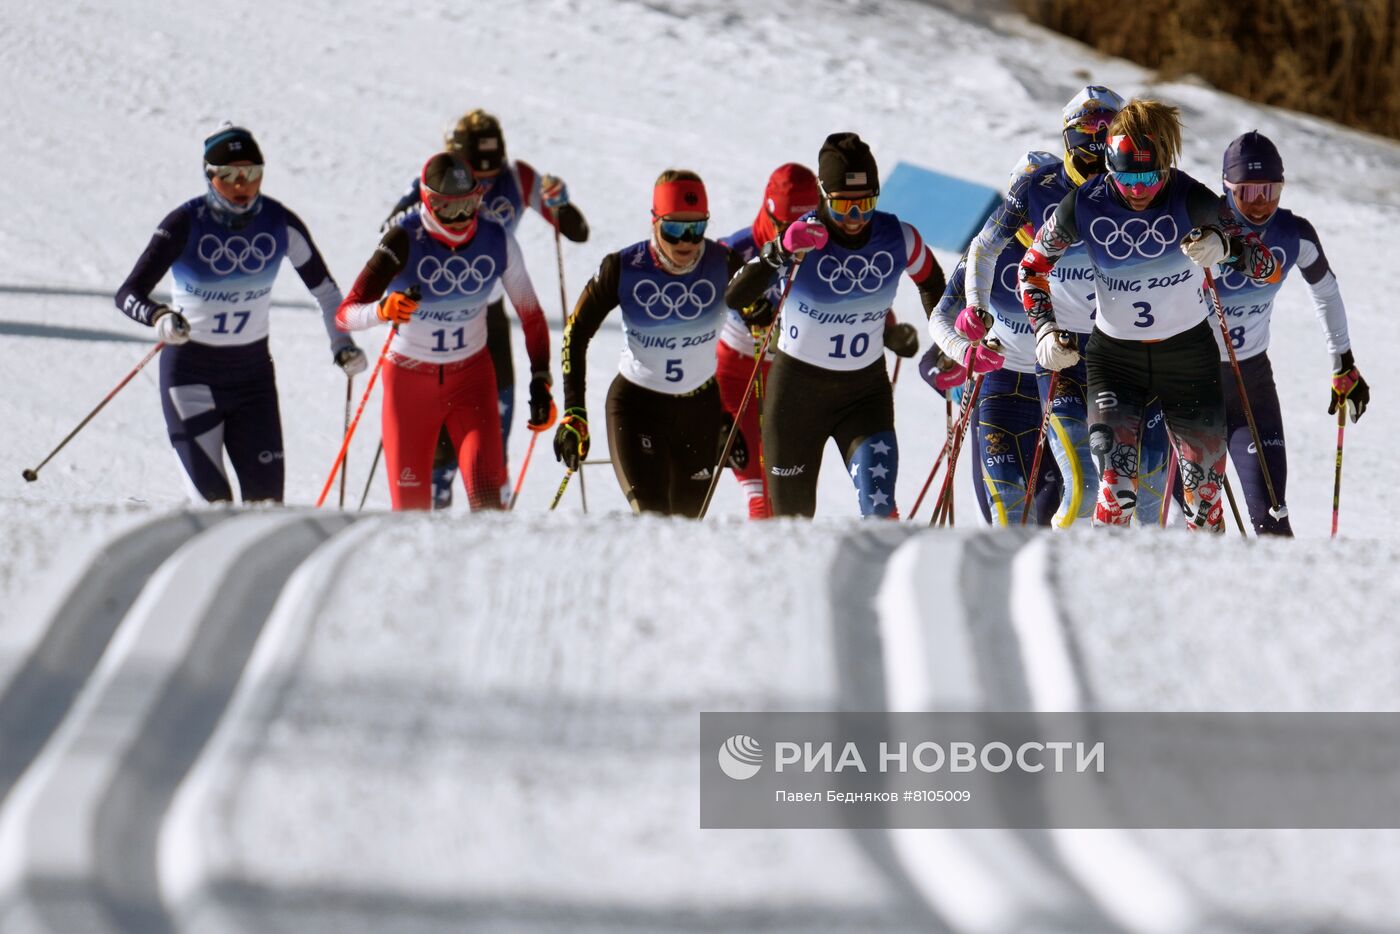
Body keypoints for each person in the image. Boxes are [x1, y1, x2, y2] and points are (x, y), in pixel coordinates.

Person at [1019, 99, 1280, 531]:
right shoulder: (1083, 203)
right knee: (1116, 488)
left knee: (1204, 496)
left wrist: (1227, 247)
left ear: (1165, 167)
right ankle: (1104, 581)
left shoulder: (1188, 195)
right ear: (1107, 167)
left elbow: (1266, 266)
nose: (1137, 190)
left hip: (1188, 356)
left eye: (1148, 177)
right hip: (1115, 360)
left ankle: (1207, 587)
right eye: (1124, 178)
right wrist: (1045, 331)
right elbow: (1031, 269)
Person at [115, 123, 364, 504]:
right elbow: (128, 293)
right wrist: (159, 317)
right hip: (190, 377)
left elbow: (327, 292)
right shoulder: (185, 223)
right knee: (214, 505)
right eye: (228, 176)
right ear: (209, 176)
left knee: (266, 508)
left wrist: (341, 343)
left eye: (252, 174)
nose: (241, 185)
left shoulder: (280, 223)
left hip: (253, 381)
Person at [725, 132, 944, 518]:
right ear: (825, 196)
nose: (856, 218)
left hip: (863, 395)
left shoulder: (899, 236)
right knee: (791, 524)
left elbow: (932, 282)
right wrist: (779, 250)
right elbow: (735, 296)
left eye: (867, 205)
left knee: (879, 510)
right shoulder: (803, 238)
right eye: (844, 206)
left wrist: (948, 342)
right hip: (795, 397)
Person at [385, 109, 589, 508]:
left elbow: (576, 232)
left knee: (493, 427)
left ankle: (494, 502)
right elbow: (388, 231)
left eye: (490, 175)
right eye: (475, 177)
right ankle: (435, 503)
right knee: (439, 440)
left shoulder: (518, 178)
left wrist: (560, 204)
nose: (482, 187)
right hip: (436, 315)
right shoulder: (436, 177)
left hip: (490, 316)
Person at [338, 152, 554, 511]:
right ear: (426, 200)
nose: (460, 218)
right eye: (446, 208)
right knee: (411, 514)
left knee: (489, 505)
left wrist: (541, 378)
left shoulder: (497, 240)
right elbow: (346, 315)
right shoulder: (402, 239)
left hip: (471, 381)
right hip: (409, 384)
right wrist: (382, 310)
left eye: (469, 204)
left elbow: (531, 315)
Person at [554, 170, 745, 516]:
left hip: (700, 411)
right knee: (652, 520)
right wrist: (574, 412)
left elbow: (764, 332)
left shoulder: (724, 262)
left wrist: (730, 415)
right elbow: (575, 332)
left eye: (697, 228)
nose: (686, 241)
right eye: (674, 228)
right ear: (654, 222)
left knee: (687, 531)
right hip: (637, 407)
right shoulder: (624, 267)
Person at [1209, 130, 1369, 535]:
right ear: (1226, 189)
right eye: (1248, 193)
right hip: (1191, 383)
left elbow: (1327, 293)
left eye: (1271, 191)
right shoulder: (1201, 229)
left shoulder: (1293, 234)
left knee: (1272, 521)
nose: (1261, 204)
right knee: (1193, 524)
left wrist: (1343, 361)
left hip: (1252, 382)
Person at [929, 151, 1070, 526]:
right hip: (1001, 389)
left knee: (1052, 524)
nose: (1029, 221)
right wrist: (961, 353)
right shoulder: (991, 253)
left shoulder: (1078, 247)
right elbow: (939, 324)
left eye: (1041, 209)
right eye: (1020, 210)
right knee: (1004, 522)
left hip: (1060, 390)